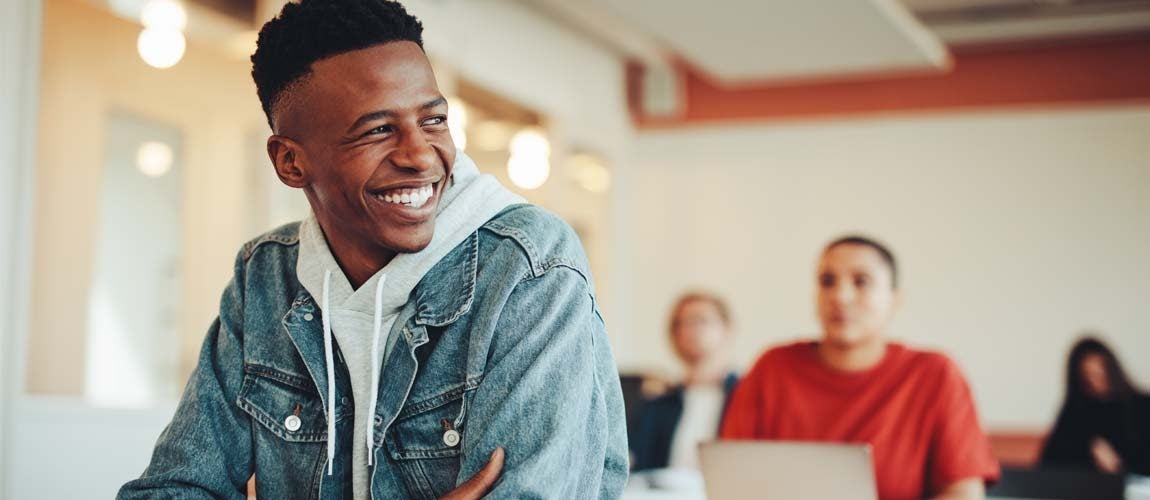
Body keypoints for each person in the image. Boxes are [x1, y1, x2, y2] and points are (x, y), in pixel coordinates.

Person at [118, 0, 628, 498]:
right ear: (291, 163)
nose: (420, 155)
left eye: (433, 121)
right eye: (378, 130)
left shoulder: (528, 265)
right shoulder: (266, 277)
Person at [720, 235, 1000, 500]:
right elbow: (728, 478)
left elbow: (964, 493)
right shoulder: (773, 368)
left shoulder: (935, 374)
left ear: (894, 299)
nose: (840, 296)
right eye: (827, 281)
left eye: (861, 281)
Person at [632, 292, 739, 473]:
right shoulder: (658, 403)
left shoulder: (747, 396)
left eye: (700, 320)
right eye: (680, 324)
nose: (689, 330)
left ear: (726, 329)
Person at [1040, 336, 1150, 475]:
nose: (1097, 381)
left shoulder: (1142, 407)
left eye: (1101, 373)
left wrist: (1119, 467)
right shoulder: (1075, 412)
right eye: (1089, 376)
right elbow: (1049, 467)